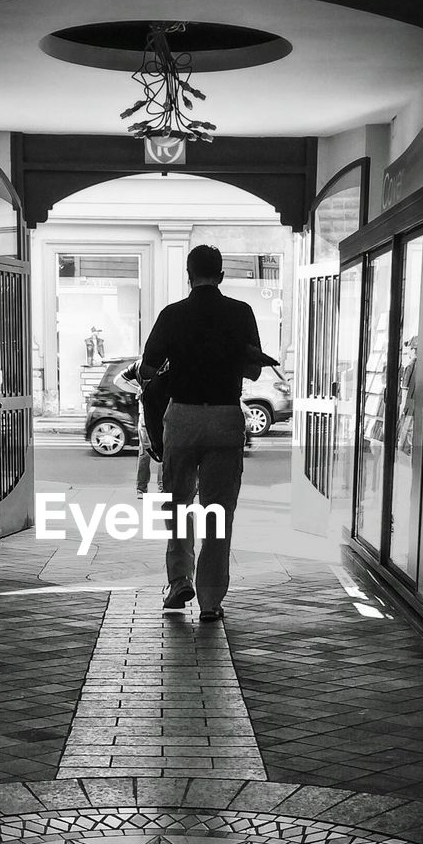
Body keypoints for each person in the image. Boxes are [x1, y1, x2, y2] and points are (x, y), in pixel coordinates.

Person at [140, 245, 264, 622]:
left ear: (189, 275)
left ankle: (180, 582)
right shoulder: (241, 313)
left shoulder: (172, 314)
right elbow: (255, 371)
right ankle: (210, 601)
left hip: (182, 417)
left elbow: (147, 368)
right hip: (226, 416)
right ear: (222, 275)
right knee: (219, 511)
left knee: (178, 505)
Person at [112, 358, 156, 497]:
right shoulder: (166, 363)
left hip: (145, 413)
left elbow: (118, 380)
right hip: (162, 412)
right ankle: (164, 487)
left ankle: (141, 489)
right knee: (165, 451)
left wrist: (138, 389)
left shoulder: (139, 364)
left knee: (144, 452)